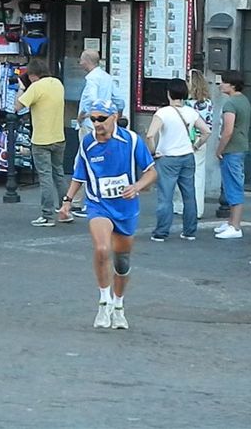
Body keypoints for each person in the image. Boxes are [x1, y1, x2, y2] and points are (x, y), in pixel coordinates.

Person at [59, 99, 157, 329]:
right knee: (102, 249)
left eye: (101, 119)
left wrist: (137, 187)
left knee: (122, 262)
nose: (96, 124)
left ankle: (119, 306)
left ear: (114, 117)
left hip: (125, 208)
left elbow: (151, 172)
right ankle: (103, 303)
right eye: (92, 119)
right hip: (98, 204)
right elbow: (79, 175)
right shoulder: (87, 143)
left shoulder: (131, 141)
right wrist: (67, 201)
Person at [146, 79, 211, 242]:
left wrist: (153, 152)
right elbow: (206, 131)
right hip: (187, 156)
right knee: (189, 195)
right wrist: (195, 146)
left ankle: (161, 232)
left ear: (169, 94)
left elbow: (149, 135)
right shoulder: (191, 112)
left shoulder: (163, 113)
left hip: (167, 158)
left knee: (165, 196)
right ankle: (189, 231)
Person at [15, 59, 71, 227]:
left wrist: (21, 88)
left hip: (41, 140)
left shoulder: (36, 87)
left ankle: (47, 215)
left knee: (45, 177)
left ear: (32, 75)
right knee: (58, 174)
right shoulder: (58, 84)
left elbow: (17, 106)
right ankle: (65, 209)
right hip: (59, 137)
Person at [72, 49, 117, 218]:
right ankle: (101, 200)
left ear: (87, 61)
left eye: (81, 60)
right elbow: (118, 98)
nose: (80, 63)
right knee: (101, 161)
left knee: (83, 161)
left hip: (90, 124)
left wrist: (83, 114)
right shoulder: (107, 77)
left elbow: (92, 99)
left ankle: (80, 202)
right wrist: (114, 116)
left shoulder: (92, 79)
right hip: (105, 124)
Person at [214, 70, 251, 239]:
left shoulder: (230, 104)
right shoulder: (243, 101)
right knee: (233, 184)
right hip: (240, 146)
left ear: (232, 84)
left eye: (224, 82)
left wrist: (219, 149)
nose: (220, 84)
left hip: (232, 148)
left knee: (233, 186)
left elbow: (227, 131)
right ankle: (231, 222)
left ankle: (235, 226)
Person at [173, 69, 213, 218]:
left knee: (182, 175)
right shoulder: (208, 103)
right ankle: (198, 208)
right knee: (199, 176)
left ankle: (181, 206)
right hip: (202, 140)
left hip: (186, 141)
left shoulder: (187, 104)